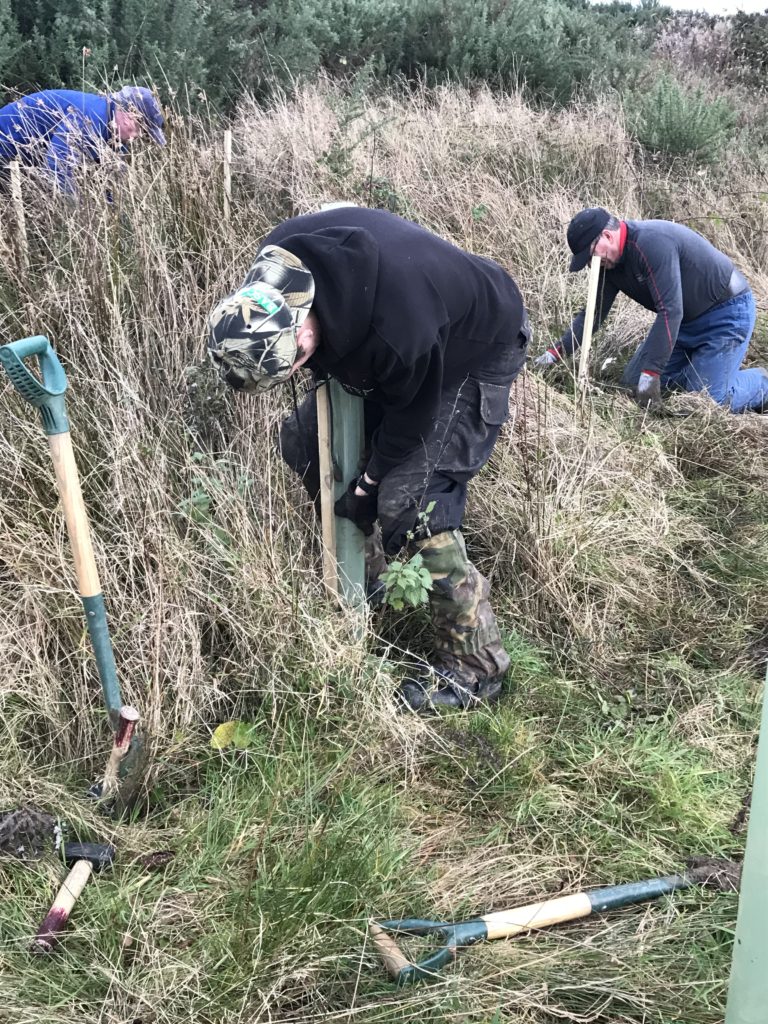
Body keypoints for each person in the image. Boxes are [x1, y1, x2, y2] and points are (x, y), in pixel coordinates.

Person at [207, 207, 530, 712]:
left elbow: (411, 421)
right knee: (303, 443)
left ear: (303, 328)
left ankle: (476, 666)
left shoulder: (398, 329)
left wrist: (368, 486)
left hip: (475, 345)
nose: (296, 371)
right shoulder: (275, 269)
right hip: (380, 343)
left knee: (411, 498)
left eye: (295, 362)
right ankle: (369, 579)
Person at [537, 208, 768, 413]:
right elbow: (592, 316)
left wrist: (652, 373)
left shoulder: (651, 243)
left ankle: (761, 383)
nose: (590, 264)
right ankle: (703, 371)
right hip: (684, 324)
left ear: (607, 236)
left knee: (705, 402)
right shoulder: (609, 263)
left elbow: (670, 310)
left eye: (590, 256)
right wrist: (553, 355)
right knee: (632, 383)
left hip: (726, 315)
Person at [0, 85, 165, 194]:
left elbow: (111, 182)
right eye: (138, 128)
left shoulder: (113, 132)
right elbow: (57, 165)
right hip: (6, 147)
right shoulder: (92, 117)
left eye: (143, 134)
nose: (135, 136)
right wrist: (75, 213)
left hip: (22, 159)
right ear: (127, 112)